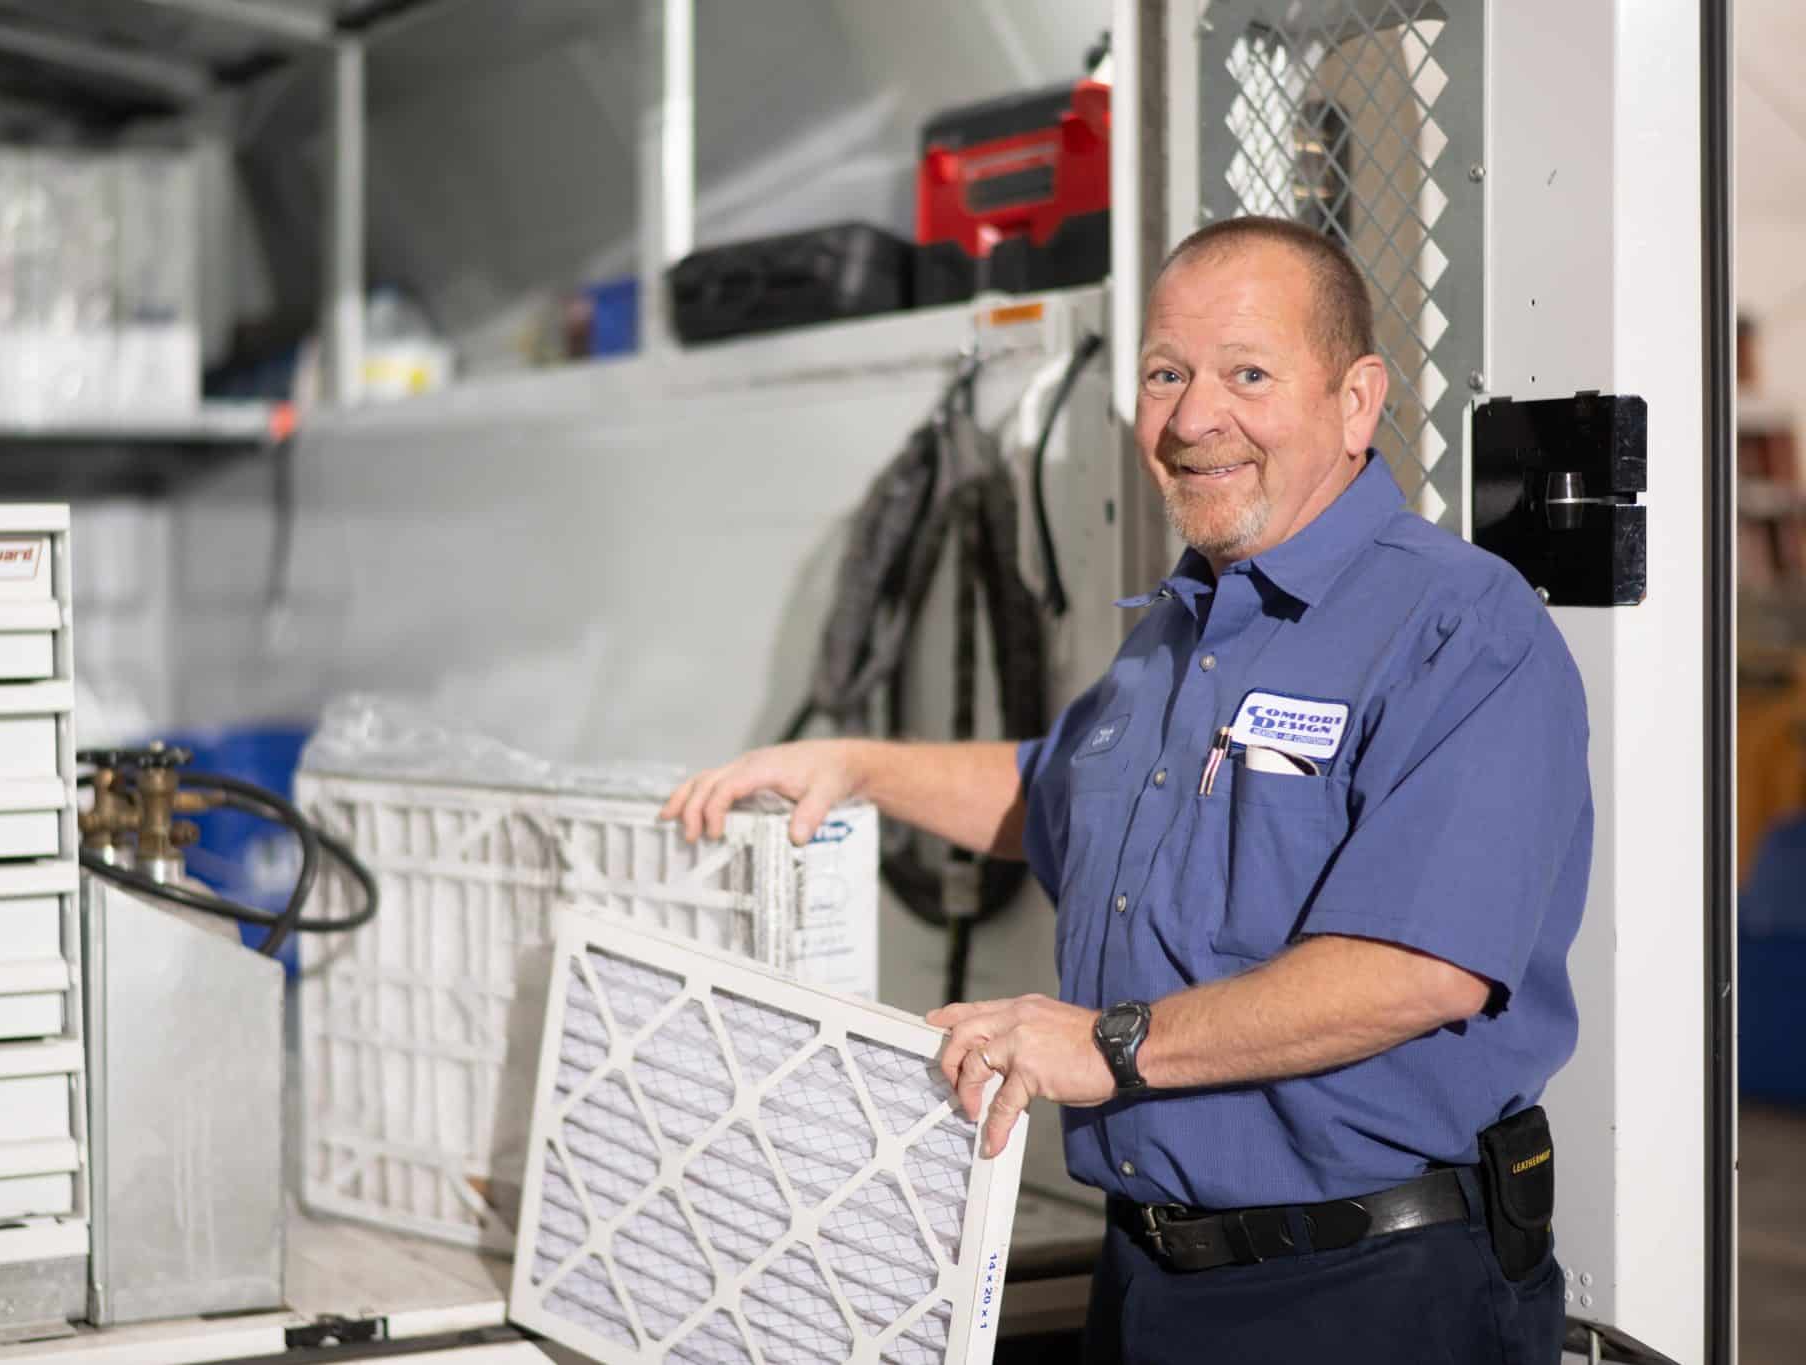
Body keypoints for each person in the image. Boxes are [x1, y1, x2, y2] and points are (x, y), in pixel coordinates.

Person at [661, 215, 1588, 1364]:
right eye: (1165, 374)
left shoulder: (1459, 624)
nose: (1195, 418)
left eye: (1247, 373)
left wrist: (1109, 1042)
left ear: (1355, 403)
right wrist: (855, 766)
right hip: (1146, 1281)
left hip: (1370, 1294)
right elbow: (1046, 793)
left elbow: (1416, 969)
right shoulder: (1176, 629)